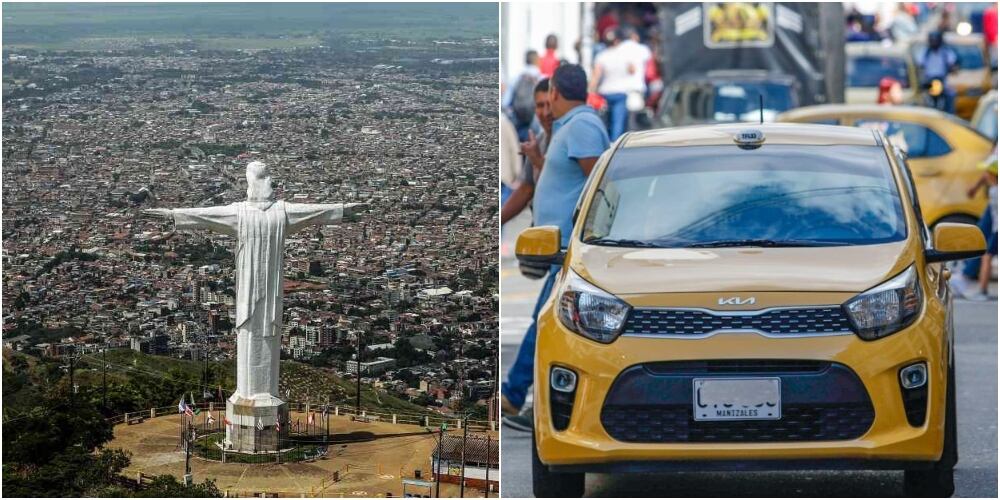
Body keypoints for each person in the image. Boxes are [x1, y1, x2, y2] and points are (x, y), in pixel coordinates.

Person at [501, 65, 611, 431]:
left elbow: (599, 183)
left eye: (549, 100)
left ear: (559, 95)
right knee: (544, 324)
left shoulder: (581, 126)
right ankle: (516, 397)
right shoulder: (568, 127)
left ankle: (514, 396)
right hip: (557, 246)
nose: (546, 107)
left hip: (568, 248)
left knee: (543, 325)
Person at [501, 79, 553, 226]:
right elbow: (526, 189)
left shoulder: (569, 138)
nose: (546, 112)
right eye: (540, 105)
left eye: (549, 105)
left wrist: (537, 160)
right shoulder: (539, 141)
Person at [590, 27, 647, 141]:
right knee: (618, 123)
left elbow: (596, 77)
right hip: (620, 92)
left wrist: (591, 91)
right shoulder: (625, 55)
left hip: (605, 92)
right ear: (617, 41)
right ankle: (614, 144)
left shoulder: (601, 56)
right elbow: (632, 70)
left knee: (605, 120)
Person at [504, 50, 543, 141]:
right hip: (534, 123)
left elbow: (505, 103)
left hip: (517, 123)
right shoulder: (540, 78)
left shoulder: (516, 77)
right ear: (537, 61)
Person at [916, 31, 958, 114]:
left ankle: (949, 113)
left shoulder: (945, 52)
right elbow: (919, 63)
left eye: (935, 40)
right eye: (932, 40)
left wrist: (952, 68)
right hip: (929, 80)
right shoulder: (926, 52)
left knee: (951, 95)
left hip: (941, 80)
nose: (934, 42)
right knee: (921, 97)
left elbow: (952, 62)